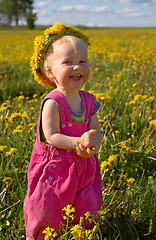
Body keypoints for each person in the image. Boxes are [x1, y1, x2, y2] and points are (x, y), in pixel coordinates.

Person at [24, 22, 102, 240]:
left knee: (87, 204)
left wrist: (94, 142)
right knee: (48, 209)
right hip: (55, 171)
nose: (76, 67)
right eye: (68, 62)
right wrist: (78, 141)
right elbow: (51, 136)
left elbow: (94, 126)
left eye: (82, 62)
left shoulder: (88, 100)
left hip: (84, 165)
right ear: (49, 72)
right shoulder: (53, 102)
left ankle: (81, 235)